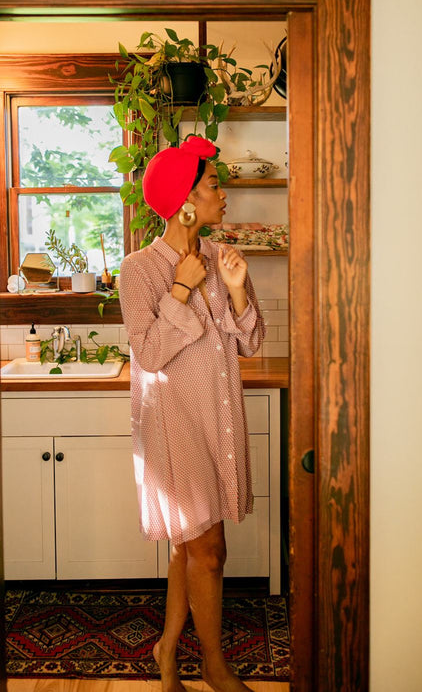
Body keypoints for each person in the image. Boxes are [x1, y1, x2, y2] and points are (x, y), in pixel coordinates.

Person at [119, 135, 266, 692]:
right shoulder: (140, 270)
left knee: (191, 546)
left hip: (219, 417)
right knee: (210, 550)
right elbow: (150, 354)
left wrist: (236, 291)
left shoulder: (217, 257)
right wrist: (181, 289)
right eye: (212, 185)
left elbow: (250, 343)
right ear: (185, 200)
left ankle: (165, 653)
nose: (221, 194)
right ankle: (214, 666)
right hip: (174, 425)